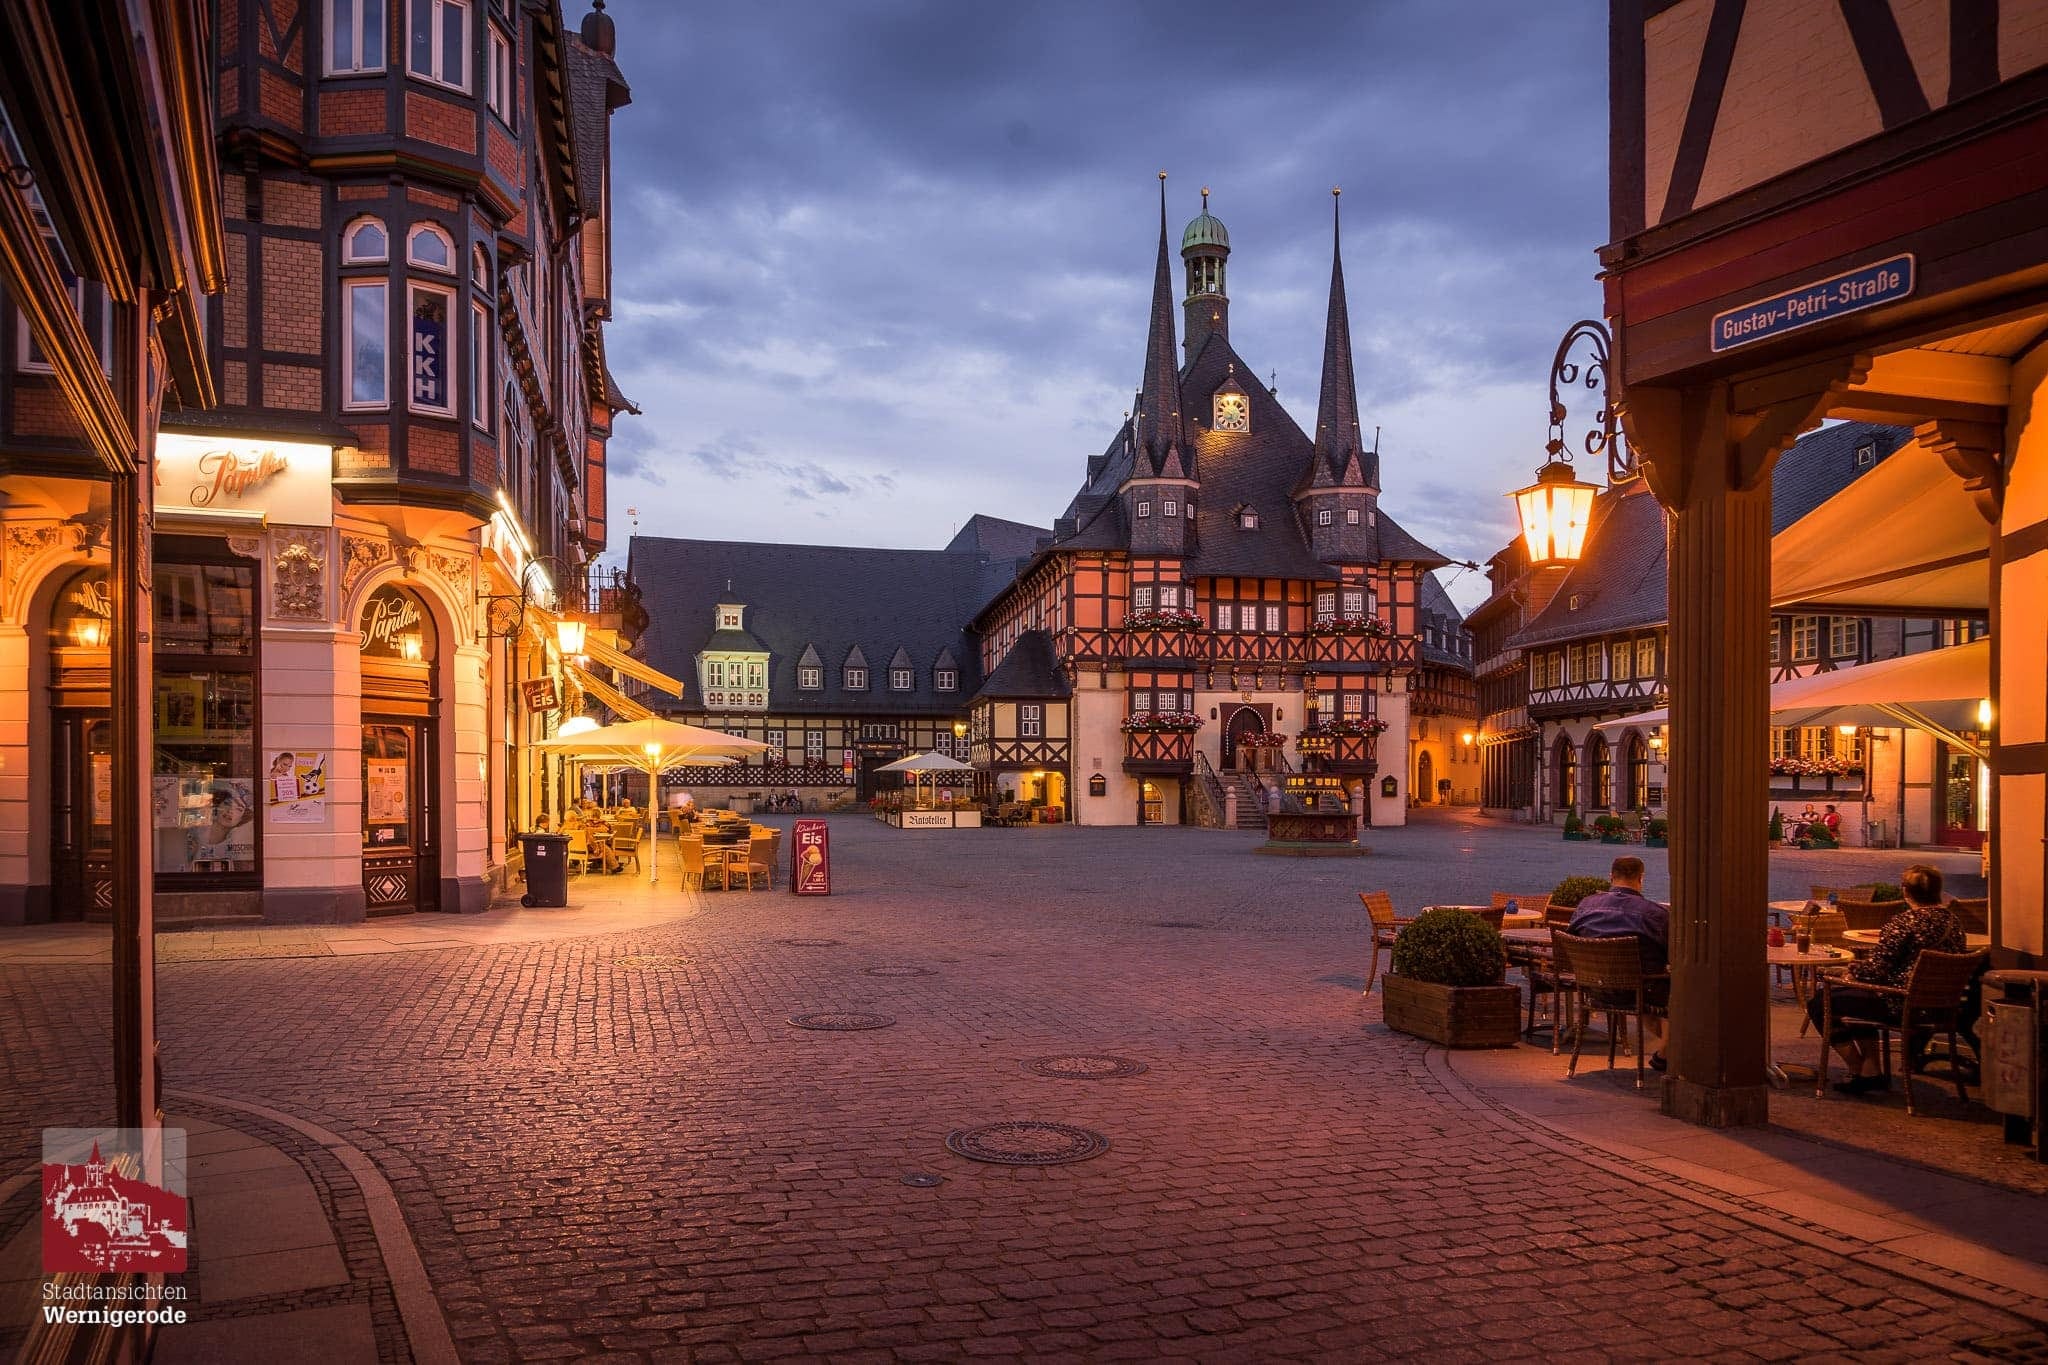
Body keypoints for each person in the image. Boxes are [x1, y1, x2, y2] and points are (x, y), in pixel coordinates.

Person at [1807, 863, 1966, 1095]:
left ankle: (1858, 1067)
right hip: (1942, 1006)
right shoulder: (1954, 923)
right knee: (1855, 999)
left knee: (1822, 1002)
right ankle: (1871, 1070)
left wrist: (1848, 972)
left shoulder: (1903, 923)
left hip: (1900, 1002)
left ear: (1905, 891)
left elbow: (1877, 971)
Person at [1566, 855, 1672, 1069]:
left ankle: (1670, 1051)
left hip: (1594, 989)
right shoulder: (1655, 914)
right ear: (1641, 878)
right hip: (1641, 991)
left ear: (1611, 876)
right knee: (1680, 986)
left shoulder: (1586, 906)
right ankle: (1670, 1052)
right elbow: (1673, 953)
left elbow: (1570, 942)